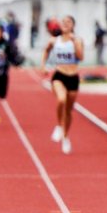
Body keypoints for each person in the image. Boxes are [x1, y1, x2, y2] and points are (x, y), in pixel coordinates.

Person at [41, 15, 83, 155]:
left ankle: (65, 137)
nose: (65, 24)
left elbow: (81, 57)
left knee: (69, 111)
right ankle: (59, 126)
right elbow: (46, 51)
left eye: (68, 22)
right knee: (61, 100)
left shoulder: (77, 40)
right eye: (63, 22)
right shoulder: (54, 40)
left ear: (73, 26)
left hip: (73, 77)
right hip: (59, 75)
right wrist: (44, 66)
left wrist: (75, 43)